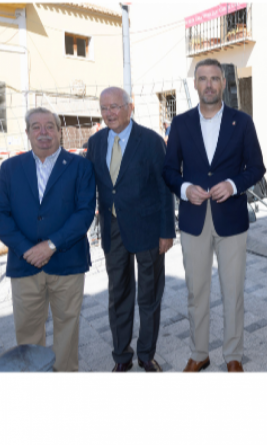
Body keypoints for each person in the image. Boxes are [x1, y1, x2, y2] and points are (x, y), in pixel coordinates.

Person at [163, 58, 265, 372]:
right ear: (195, 84)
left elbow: (256, 168)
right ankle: (199, 352)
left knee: (233, 289)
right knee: (196, 290)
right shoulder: (180, 124)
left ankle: (233, 355)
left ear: (223, 83)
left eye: (214, 79)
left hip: (231, 219)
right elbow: (168, 170)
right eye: (202, 78)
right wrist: (185, 188)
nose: (208, 84)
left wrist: (234, 185)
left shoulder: (242, 121)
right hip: (194, 219)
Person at [0, 107, 96, 372]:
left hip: (67, 263)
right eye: (36, 127)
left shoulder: (80, 166)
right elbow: (0, 215)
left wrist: (50, 246)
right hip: (25, 264)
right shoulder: (11, 168)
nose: (43, 132)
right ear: (27, 133)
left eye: (50, 126)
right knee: (27, 333)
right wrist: (28, 250)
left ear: (60, 131)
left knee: (67, 331)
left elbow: (84, 214)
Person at [85, 87, 175, 372]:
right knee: (118, 296)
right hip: (113, 231)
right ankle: (121, 355)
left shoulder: (150, 141)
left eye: (114, 106)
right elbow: (92, 187)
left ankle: (146, 354)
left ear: (129, 107)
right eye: (104, 108)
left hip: (148, 231)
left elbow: (164, 190)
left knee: (149, 296)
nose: (109, 113)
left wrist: (167, 232)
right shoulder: (96, 142)